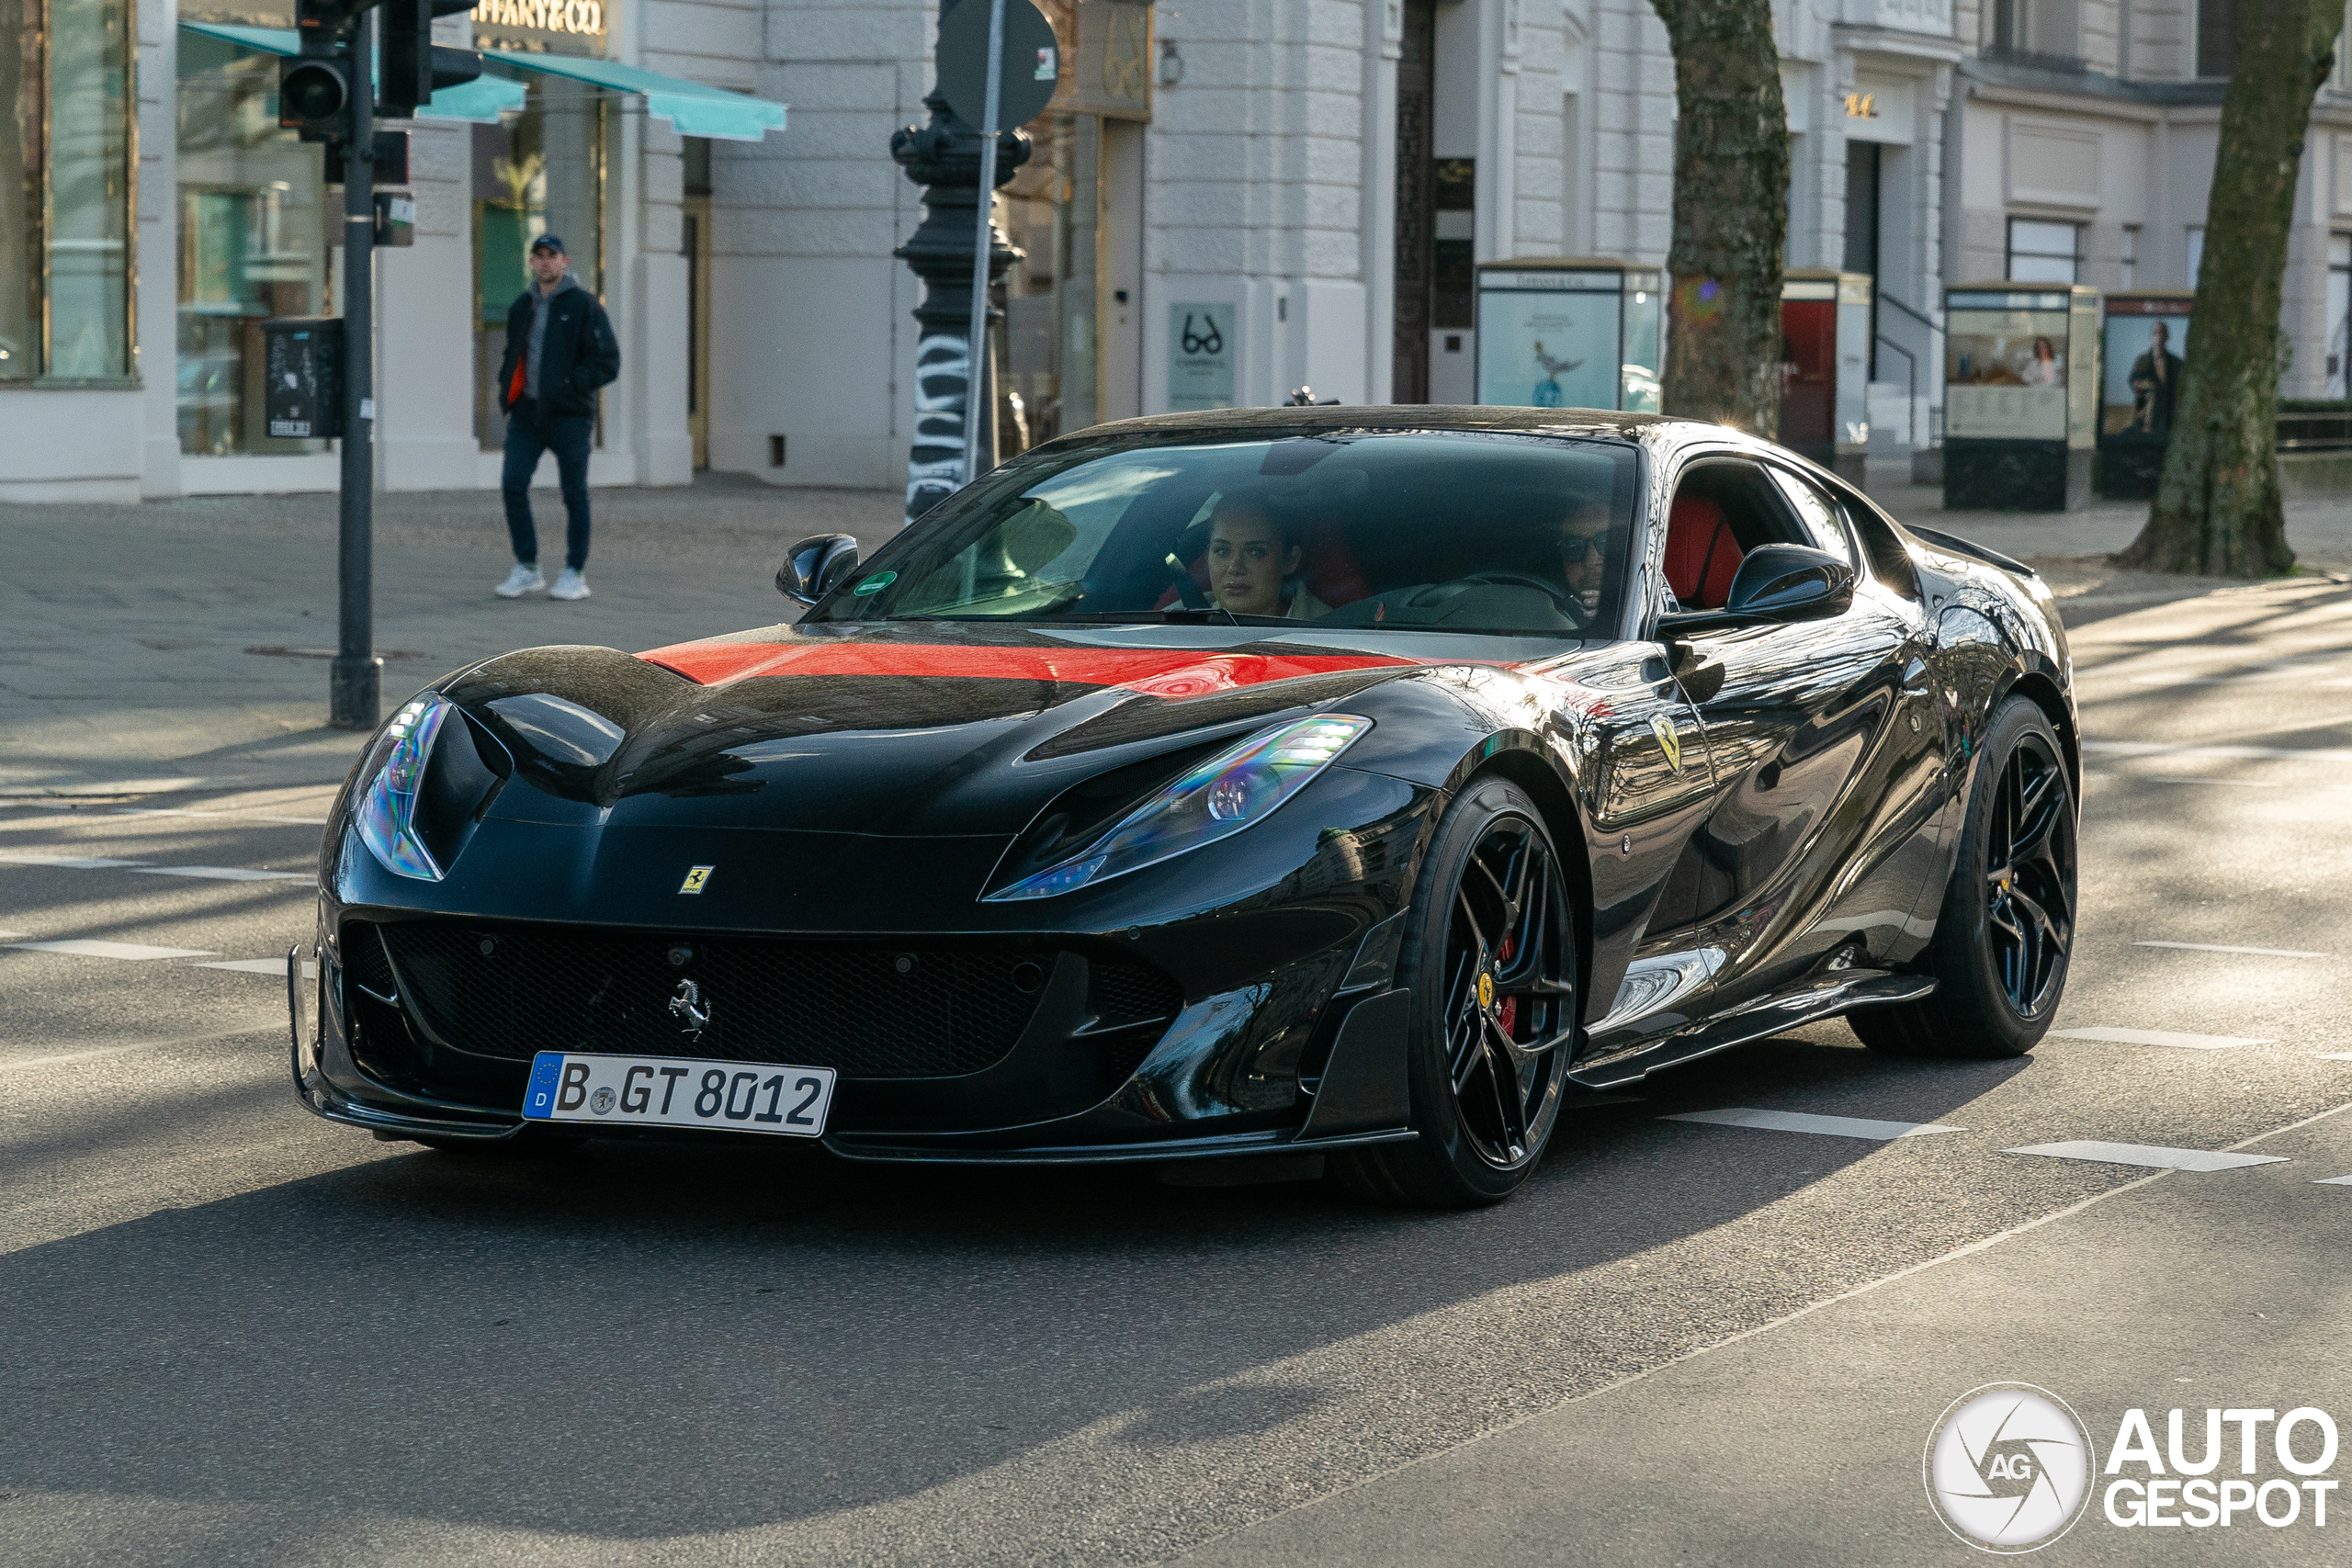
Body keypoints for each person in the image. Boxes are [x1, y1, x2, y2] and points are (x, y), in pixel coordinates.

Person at [492, 234, 619, 602]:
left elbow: (607, 361)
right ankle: (527, 567)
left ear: (565, 261)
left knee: (574, 493)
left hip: (569, 415)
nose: (545, 262)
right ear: (531, 262)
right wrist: (508, 392)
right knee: (513, 485)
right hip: (527, 414)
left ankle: (574, 573)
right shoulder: (522, 306)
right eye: (539, 256)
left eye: (552, 256)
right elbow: (512, 355)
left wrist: (570, 385)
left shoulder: (583, 306)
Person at [1206, 499, 1329, 619]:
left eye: (1255, 552)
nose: (1235, 568)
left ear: (1290, 560)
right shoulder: (1191, 617)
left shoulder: (1331, 631)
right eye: (1222, 551)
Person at [1556, 497, 1613, 619]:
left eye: (1606, 543)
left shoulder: (1653, 602)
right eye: (1573, 546)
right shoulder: (1539, 613)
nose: (1590, 561)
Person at [2129, 320, 2183, 435]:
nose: (2159, 337)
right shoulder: (2143, 360)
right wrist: (2143, 386)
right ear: (2150, 336)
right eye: (2155, 333)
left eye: (2162, 333)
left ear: (2167, 336)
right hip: (2147, 423)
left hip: (2169, 422)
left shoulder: (2176, 363)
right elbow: (2132, 381)